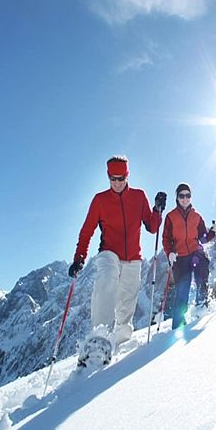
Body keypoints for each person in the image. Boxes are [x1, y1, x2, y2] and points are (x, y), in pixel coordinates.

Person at [69, 155, 166, 365]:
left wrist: (157, 210)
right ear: (108, 176)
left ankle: (117, 346)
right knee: (107, 279)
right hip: (108, 253)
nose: (117, 182)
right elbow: (86, 231)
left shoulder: (139, 197)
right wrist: (79, 257)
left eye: (121, 178)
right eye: (113, 178)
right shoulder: (100, 200)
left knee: (126, 308)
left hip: (133, 259)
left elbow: (151, 227)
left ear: (127, 176)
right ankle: (98, 338)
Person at [162, 183, 216, 329]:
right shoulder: (171, 217)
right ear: (177, 197)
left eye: (187, 195)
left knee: (202, 272)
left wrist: (213, 232)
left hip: (196, 252)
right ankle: (178, 325)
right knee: (182, 291)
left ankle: (202, 306)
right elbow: (166, 239)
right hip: (179, 257)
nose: (185, 199)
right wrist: (170, 254)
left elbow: (203, 237)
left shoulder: (196, 216)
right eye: (182, 196)